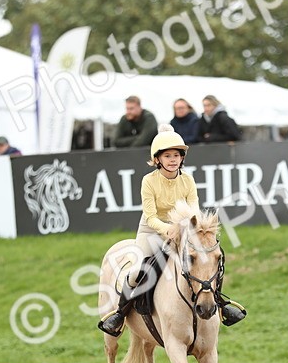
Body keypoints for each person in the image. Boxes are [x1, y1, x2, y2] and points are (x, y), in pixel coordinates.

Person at [98, 125, 246, 336]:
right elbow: (150, 216)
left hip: (183, 233)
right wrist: (169, 229)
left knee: (210, 261)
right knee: (136, 271)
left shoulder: (188, 180)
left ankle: (220, 304)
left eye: (177, 155)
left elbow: (194, 209)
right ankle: (120, 314)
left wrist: (192, 231)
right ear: (157, 159)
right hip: (152, 232)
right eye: (167, 155)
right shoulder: (148, 181)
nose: (173, 159)